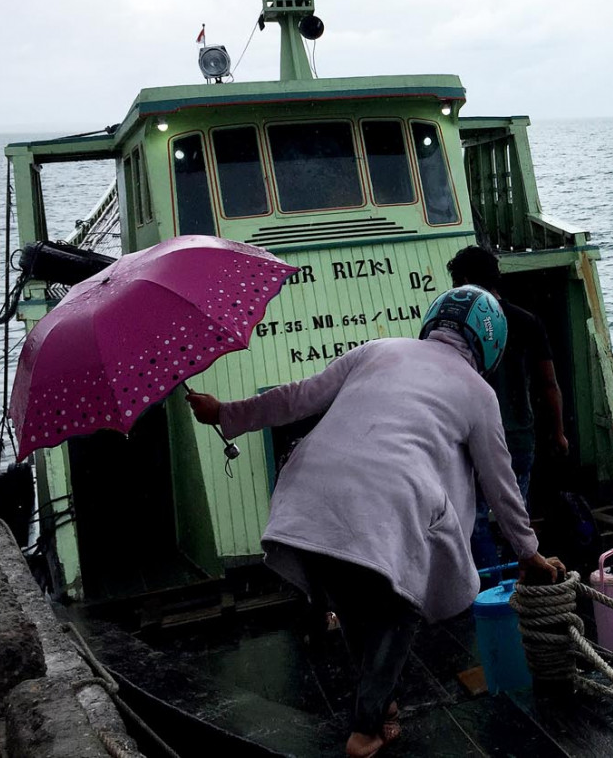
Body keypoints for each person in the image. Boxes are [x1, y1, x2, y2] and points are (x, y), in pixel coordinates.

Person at [186, 285, 565, 758]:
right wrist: (528, 552)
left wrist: (225, 412)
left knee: (351, 592)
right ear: (488, 347)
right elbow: (500, 482)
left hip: (309, 490)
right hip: (390, 502)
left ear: (433, 321)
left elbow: (298, 397)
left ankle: (380, 708)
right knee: (400, 601)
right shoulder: (479, 393)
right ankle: (365, 731)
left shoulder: (377, 349)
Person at [446, 245, 567, 571]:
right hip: (518, 438)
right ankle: (520, 584)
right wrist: (558, 433)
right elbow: (548, 384)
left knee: (476, 522)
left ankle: (488, 592)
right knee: (516, 515)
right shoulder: (526, 321)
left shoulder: (456, 327)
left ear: (467, 280)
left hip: (470, 440)